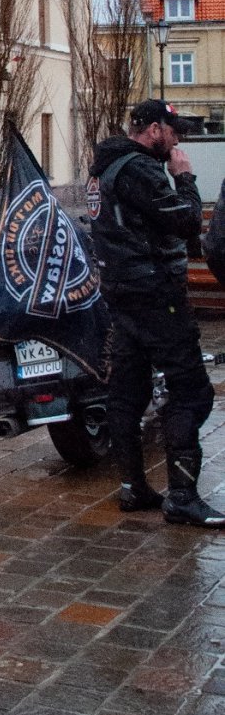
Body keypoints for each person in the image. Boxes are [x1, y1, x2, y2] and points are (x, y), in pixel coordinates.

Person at [88, 98, 221, 527]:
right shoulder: (139, 169)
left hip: (122, 295)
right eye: (173, 129)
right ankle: (182, 496)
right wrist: (185, 177)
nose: (178, 138)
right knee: (192, 392)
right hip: (156, 296)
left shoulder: (104, 167)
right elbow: (184, 222)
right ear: (152, 129)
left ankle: (133, 487)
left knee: (127, 391)